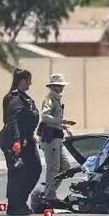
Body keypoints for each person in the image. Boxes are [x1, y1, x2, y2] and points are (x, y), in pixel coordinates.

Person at [0, 69, 42, 215]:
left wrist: (31, 135)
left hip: (26, 140)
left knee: (35, 168)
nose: (31, 83)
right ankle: (14, 205)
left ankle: (21, 201)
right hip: (14, 141)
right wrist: (16, 140)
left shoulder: (25, 98)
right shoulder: (14, 98)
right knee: (18, 171)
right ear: (23, 81)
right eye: (29, 80)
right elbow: (12, 120)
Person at [38, 73, 76, 208]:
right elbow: (45, 117)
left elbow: (54, 119)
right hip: (50, 138)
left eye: (62, 86)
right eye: (59, 86)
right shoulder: (49, 99)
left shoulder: (57, 100)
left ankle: (49, 191)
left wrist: (65, 126)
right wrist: (62, 121)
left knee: (65, 166)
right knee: (53, 167)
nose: (61, 88)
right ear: (53, 86)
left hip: (58, 137)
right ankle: (50, 196)